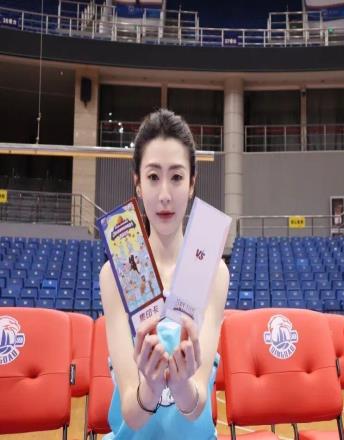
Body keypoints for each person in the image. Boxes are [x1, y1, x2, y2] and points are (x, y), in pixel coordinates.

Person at [99, 109, 229, 439]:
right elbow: (132, 414)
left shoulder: (214, 273)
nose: (165, 195)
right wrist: (150, 389)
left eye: (177, 177)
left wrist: (183, 386)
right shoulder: (114, 276)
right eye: (154, 177)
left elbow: (196, 407)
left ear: (192, 183)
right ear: (138, 183)